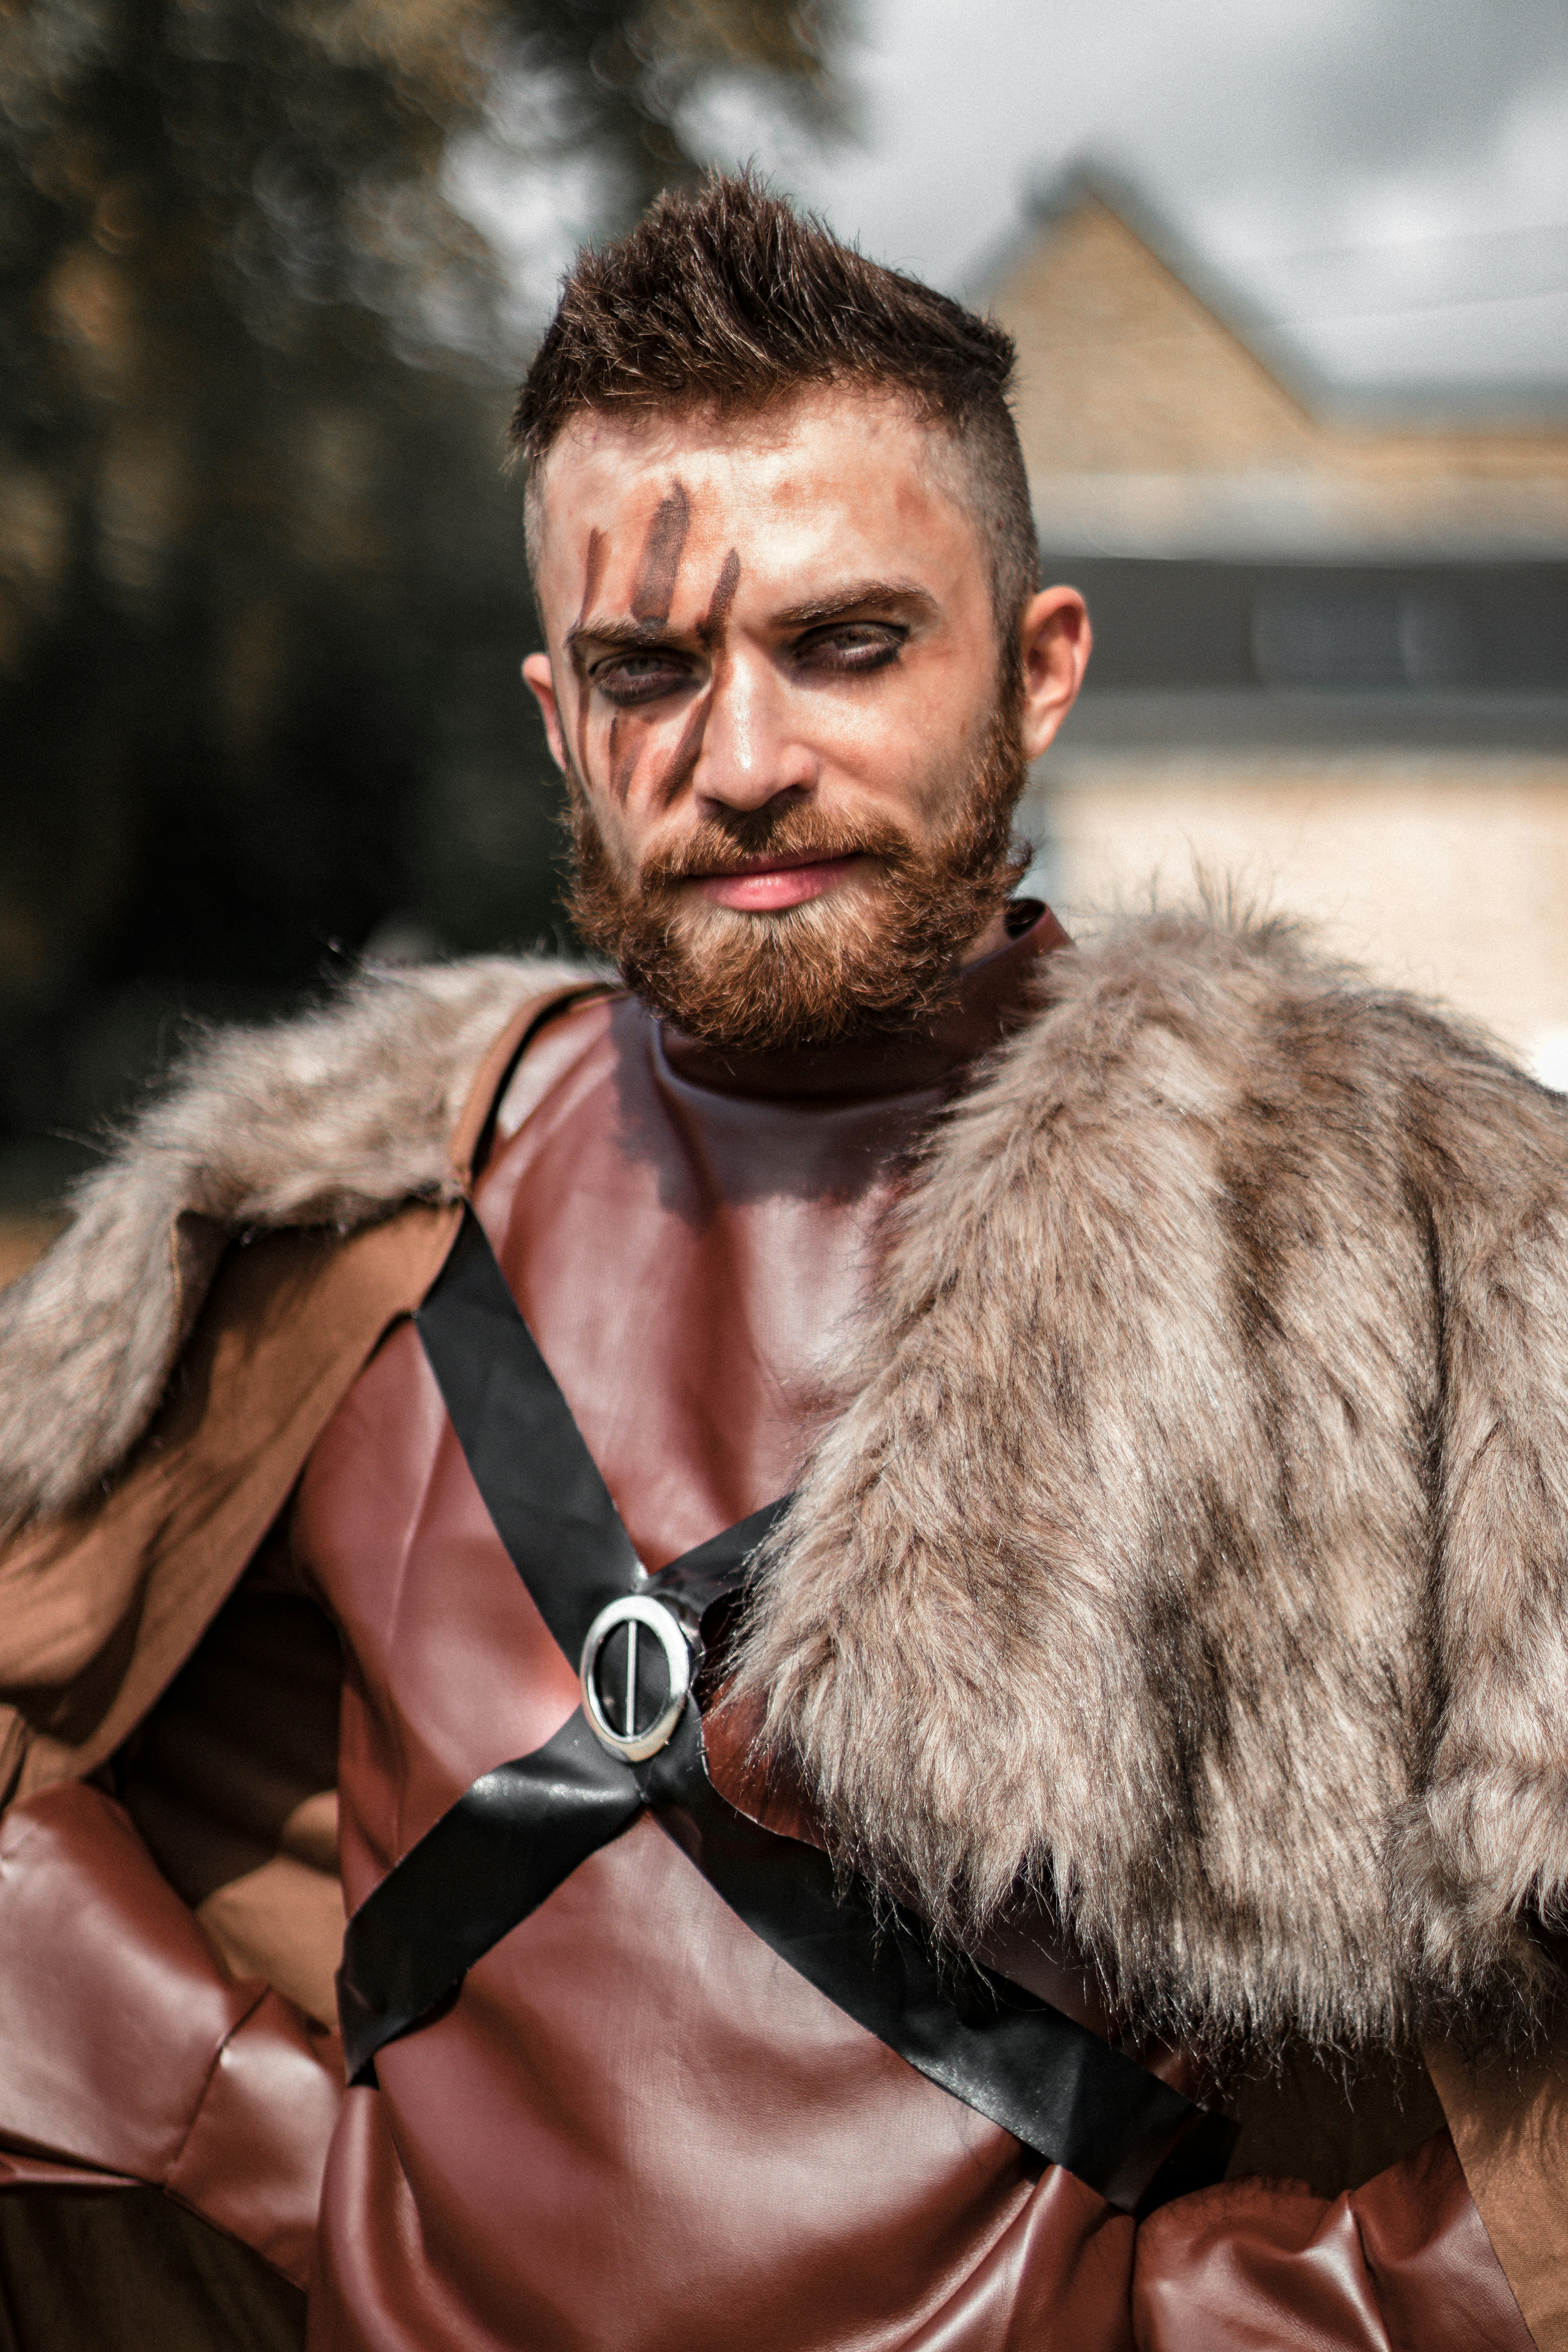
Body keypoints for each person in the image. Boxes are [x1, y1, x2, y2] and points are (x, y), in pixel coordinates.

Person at [0, 172, 1561, 2351]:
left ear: (1037, 672)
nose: (740, 763)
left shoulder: (1409, 1245)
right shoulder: (327, 1221)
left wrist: (1157, 2329)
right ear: (558, 719)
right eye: (650, 669)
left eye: (846, 644)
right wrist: (276, 2155)